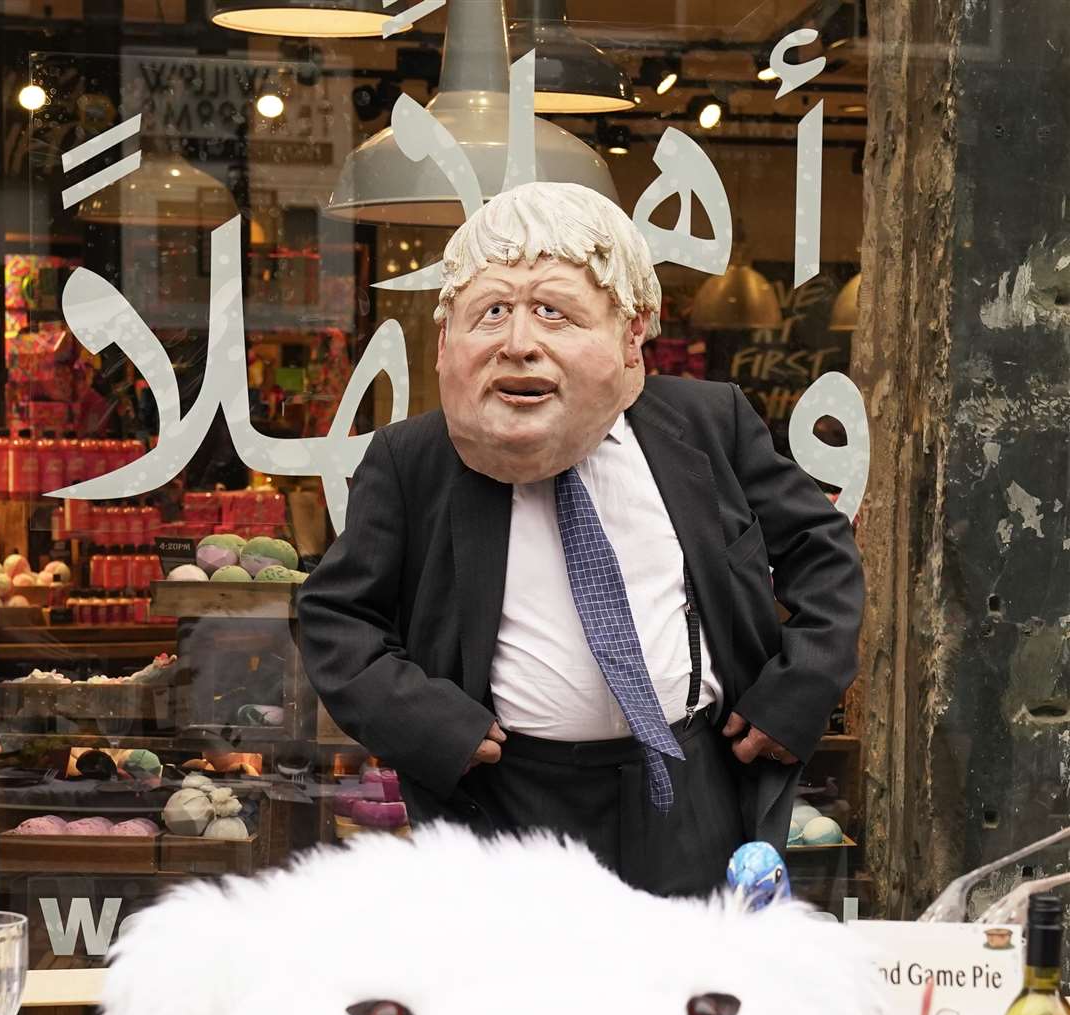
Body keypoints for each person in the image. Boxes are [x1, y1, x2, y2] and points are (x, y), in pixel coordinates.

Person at [297, 182, 864, 898]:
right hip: (506, 800)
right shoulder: (412, 461)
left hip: (690, 788)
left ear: (632, 335)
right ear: (445, 343)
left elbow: (820, 548)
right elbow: (337, 618)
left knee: (682, 992)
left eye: (553, 311)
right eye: (492, 311)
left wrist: (798, 691)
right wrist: (432, 727)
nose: (519, 344)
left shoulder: (708, 423)